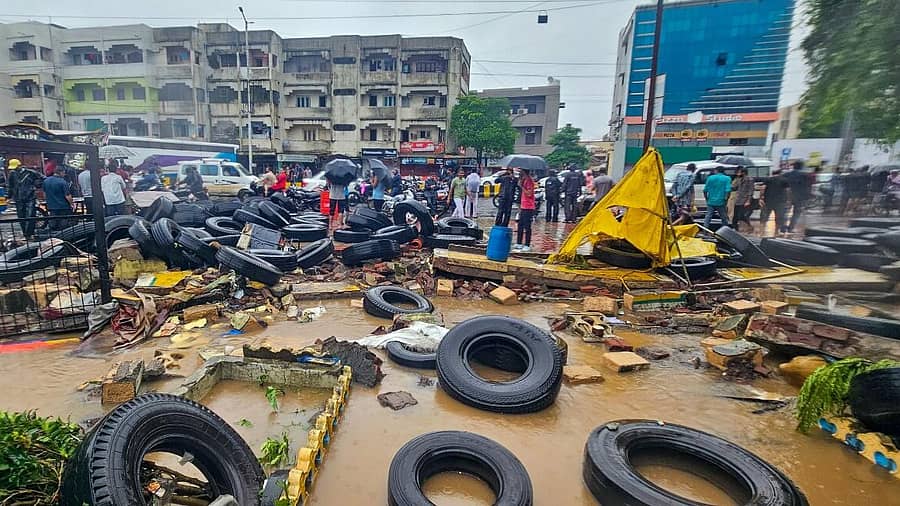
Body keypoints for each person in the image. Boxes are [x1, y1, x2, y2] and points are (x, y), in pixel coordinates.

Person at [7, 159, 43, 238]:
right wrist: (8, 197)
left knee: (30, 215)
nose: (14, 169)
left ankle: (29, 233)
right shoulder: (12, 174)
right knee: (21, 217)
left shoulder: (30, 172)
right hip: (18, 198)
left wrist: (36, 185)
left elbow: (42, 178)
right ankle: (25, 234)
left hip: (30, 197)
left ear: (19, 165)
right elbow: (10, 186)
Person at [782, 160, 811, 232]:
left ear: (793, 166)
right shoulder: (805, 175)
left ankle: (783, 227)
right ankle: (791, 228)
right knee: (796, 213)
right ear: (801, 167)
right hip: (799, 197)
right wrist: (807, 197)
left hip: (787, 196)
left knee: (785, 212)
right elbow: (807, 187)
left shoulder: (786, 174)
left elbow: (782, 185)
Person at [759, 170, 789, 235]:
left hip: (768, 201)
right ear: (780, 173)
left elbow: (762, 188)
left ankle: (761, 232)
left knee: (764, 217)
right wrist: (788, 200)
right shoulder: (784, 180)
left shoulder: (768, 179)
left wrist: (761, 198)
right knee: (779, 218)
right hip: (780, 202)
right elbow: (787, 190)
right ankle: (776, 232)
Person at [514, 168, 536, 252]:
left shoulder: (529, 181)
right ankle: (519, 242)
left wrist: (521, 187)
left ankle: (527, 244)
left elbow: (529, 194)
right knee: (520, 225)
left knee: (527, 226)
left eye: (521, 172)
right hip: (523, 206)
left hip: (528, 207)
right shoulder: (524, 180)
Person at [732, 167, 755, 232]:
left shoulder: (750, 179)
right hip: (738, 199)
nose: (738, 173)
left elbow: (751, 190)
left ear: (743, 172)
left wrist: (748, 200)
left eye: (739, 172)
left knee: (741, 215)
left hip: (744, 200)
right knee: (735, 217)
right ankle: (735, 229)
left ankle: (749, 226)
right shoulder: (739, 179)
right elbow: (734, 188)